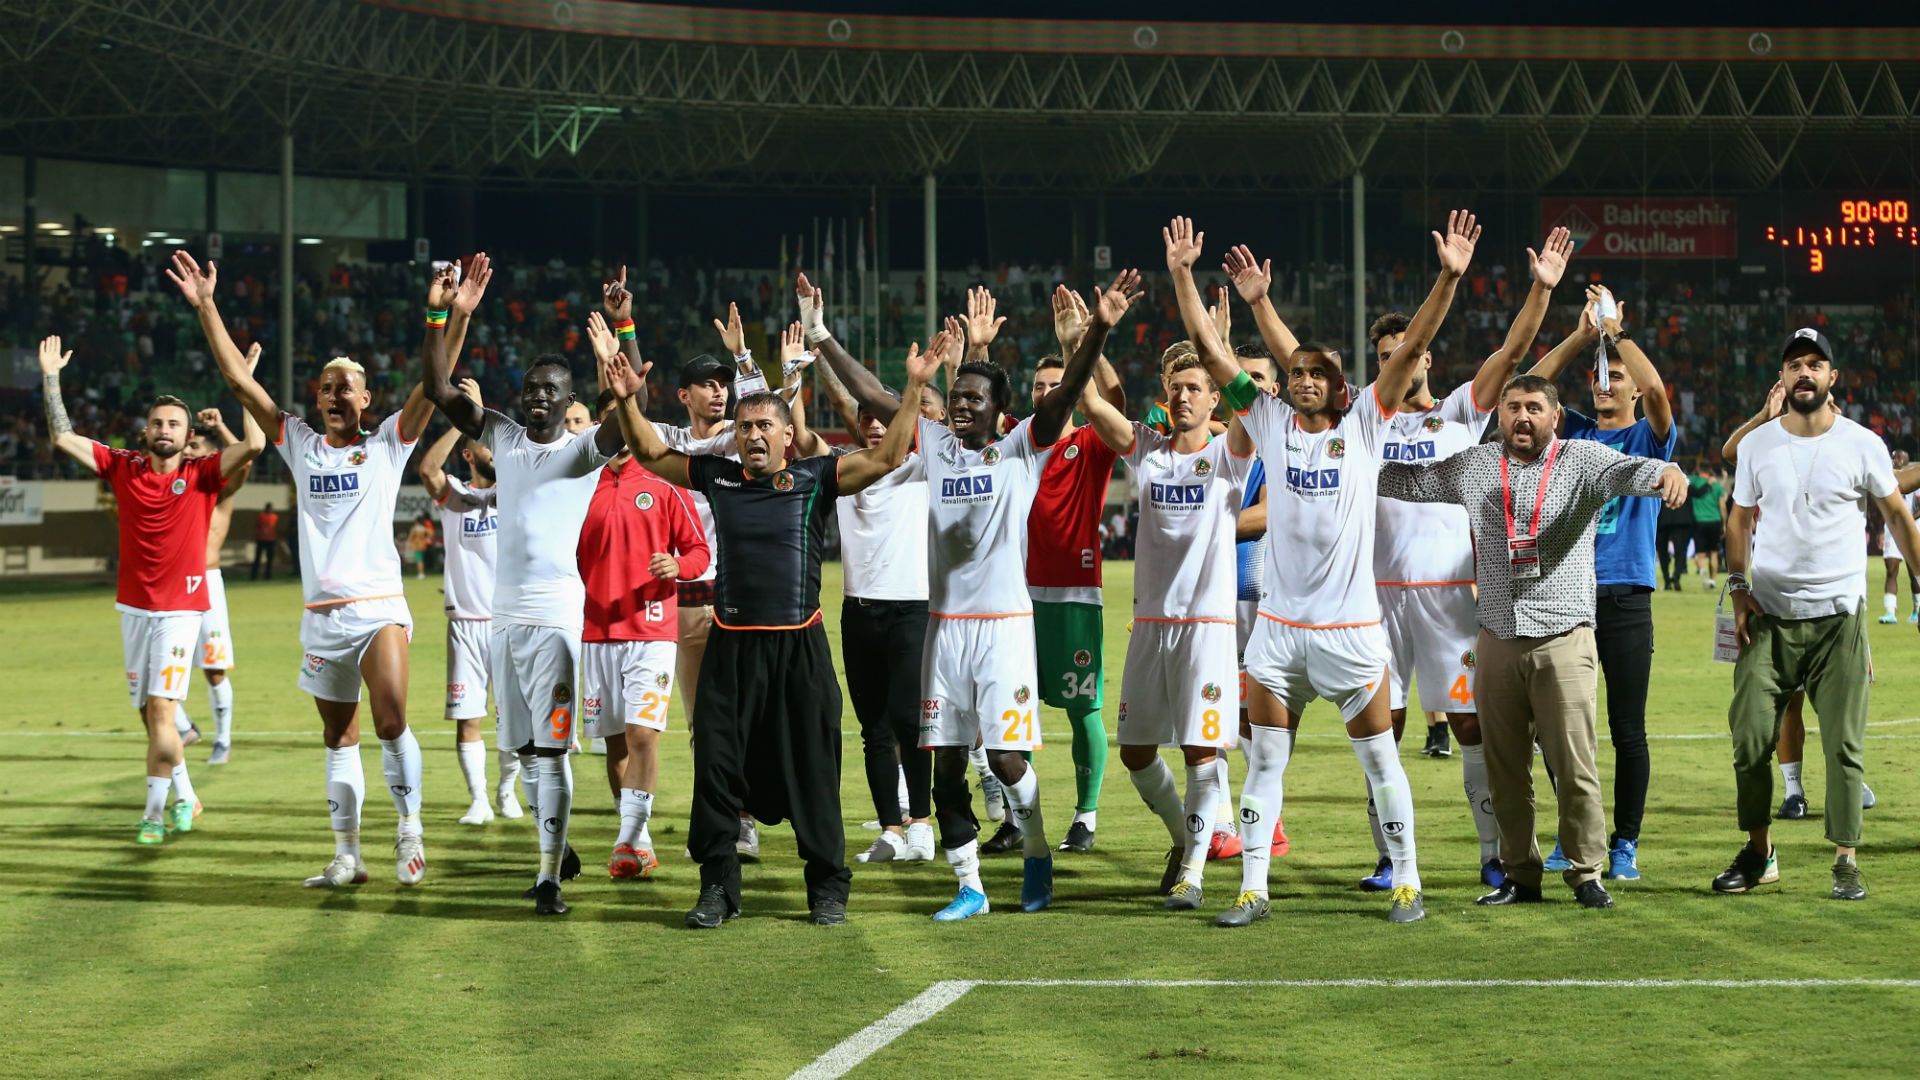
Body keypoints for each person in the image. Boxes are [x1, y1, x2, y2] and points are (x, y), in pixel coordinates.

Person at [811, 268, 1142, 921]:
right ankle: (970, 886)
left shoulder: (1024, 447)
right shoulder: (934, 445)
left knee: (1009, 758)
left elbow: (1067, 392)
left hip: (1005, 630)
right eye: (953, 395)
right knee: (946, 764)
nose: (958, 404)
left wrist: (1098, 327)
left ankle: (1037, 845)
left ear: (999, 408)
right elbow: (875, 396)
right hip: (944, 630)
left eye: (971, 397)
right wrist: (821, 334)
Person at [1179, 211, 1472, 926]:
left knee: (1380, 763)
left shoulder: (1368, 426)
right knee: (1264, 765)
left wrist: (1449, 276)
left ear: (1343, 388)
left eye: (1319, 373)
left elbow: (1415, 349)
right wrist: (1186, 275)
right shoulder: (1271, 424)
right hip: (1278, 635)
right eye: (1296, 371)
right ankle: (1253, 890)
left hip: (1350, 634)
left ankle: (1408, 881)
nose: (1304, 379)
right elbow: (1214, 356)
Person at [601, 314, 936, 928]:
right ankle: (717, 889)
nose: (753, 435)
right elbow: (649, 450)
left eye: (764, 426)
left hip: (800, 648)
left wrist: (914, 389)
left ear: (786, 435)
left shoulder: (816, 478)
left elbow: (890, 453)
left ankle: (827, 887)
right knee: (718, 770)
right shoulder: (718, 475)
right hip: (732, 649)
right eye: (745, 426)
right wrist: (626, 401)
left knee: (814, 767)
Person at [169, 250, 434, 888]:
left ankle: (410, 832)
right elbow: (241, 385)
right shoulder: (298, 443)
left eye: (346, 386)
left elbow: (436, 381)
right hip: (321, 620)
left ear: (368, 399)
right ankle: (347, 856)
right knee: (338, 736)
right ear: (316, 400)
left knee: (391, 715)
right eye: (325, 386)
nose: (334, 393)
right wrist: (207, 305)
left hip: (377, 610)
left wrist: (443, 315)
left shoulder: (389, 444)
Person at [1377, 373, 1688, 910]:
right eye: (1513, 407)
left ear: (1555, 415)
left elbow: (1629, 470)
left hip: (1563, 637)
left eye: (1534, 408)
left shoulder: (1581, 461)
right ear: (1499, 415)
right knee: (1505, 769)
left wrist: (1665, 469)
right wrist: (1348, 464)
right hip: (1496, 637)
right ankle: (1521, 875)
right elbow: (1415, 481)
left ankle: (1587, 872)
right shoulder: (1475, 466)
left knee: (1574, 765)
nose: (1523, 417)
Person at [1358, 225, 1572, 894]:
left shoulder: (1457, 413)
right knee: (1379, 732)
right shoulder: (1365, 422)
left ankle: (1491, 850)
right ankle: (1390, 857)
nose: (1398, 362)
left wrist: (1540, 289)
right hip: (1379, 599)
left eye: (1406, 352)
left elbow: (1512, 353)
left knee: (1473, 726)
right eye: (1385, 355)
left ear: (1424, 357)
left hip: (1450, 598)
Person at [423, 253, 632, 916]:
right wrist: (446, 314)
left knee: (551, 746)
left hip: (557, 622)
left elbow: (633, 416)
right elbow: (435, 388)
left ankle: (548, 877)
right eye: (532, 386)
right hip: (500, 621)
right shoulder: (503, 437)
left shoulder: (581, 451)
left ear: (570, 401)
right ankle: (558, 844)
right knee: (520, 748)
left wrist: (624, 333)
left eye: (552, 389)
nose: (540, 395)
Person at [1715, 328, 1920, 902]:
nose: (1803, 372)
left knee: (1844, 745)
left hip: (1839, 619)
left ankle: (1846, 859)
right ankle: (1760, 853)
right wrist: (1737, 586)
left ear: (1834, 378)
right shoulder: (1757, 445)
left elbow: (1899, 519)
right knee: (1749, 736)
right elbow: (1737, 519)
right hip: (1771, 618)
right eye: (1793, 365)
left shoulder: (1863, 443)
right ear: (1781, 380)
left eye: (1815, 364)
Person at [38, 334, 262, 844]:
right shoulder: (122, 467)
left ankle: (153, 813)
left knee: (162, 711)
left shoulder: (203, 475)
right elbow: (62, 438)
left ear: (188, 438)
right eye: (158, 422)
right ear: (146, 431)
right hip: (133, 609)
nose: (165, 430)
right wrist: (51, 377)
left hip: (181, 610)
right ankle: (186, 794)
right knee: (148, 712)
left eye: (175, 425)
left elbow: (253, 445)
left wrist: (245, 384)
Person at [1073, 286, 1253, 912]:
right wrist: (1083, 340)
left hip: (1205, 626)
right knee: (1136, 752)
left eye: (1195, 387)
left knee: (1203, 751)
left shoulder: (1230, 453)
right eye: (1175, 388)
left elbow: (1249, 403)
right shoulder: (1147, 452)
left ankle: (1195, 873)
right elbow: (1091, 401)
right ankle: (1185, 837)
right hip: (1150, 623)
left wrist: (1220, 347)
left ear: (1211, 399)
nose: (1183, 397)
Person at [967, 284, 1127, 856]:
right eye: (1037, 387)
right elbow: (971, 406)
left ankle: (1085, 817)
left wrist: (1085, 341)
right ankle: (1017, 817)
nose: (1045, 393)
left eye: (1056, 384)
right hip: (1014, 596)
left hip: (1075, 596)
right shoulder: (1014, 444)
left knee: (1085, 708)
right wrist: (979, 348)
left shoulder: (1093, 442)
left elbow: (1116, 399)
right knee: (1015, 712)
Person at [1527, 285, 1676, 881]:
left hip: (1626, 595)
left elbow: (1660, 393)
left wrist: (1617, 333)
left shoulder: (1646, 439)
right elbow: (1527, 391)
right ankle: (1574, 834)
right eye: (1598, 375)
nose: (1604, 382)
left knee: (1627, 729)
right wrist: (1584, 340)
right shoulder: (1571, 438)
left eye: (1615, 375)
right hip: (1566, 597)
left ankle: (1625, 843)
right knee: (1560, 731)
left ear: (1633, 384)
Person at [1720, 381, 1880, 820]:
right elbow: (1732, 452)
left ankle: (1845, 784)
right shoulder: (1769, 447)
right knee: (1783, 706)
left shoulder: (1854, 448)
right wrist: (1764, 414)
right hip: (1776, 603)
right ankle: (1793, 789)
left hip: (1839, 609)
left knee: (1838, 712)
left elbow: (1890, 485)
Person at [815, 351, 944, 865]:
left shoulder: (920, 465)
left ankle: (922, 825)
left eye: (881, 417)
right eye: (864, 419)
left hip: (913, 606)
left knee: (910, 722)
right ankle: (891, 829)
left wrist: (825, 340)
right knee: (873, 728)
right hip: (858, 609)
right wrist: (813, 357)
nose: (872, 424)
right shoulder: (845, 471)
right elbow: (837, 408)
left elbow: (872, 404)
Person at [578, 385, 709, 881]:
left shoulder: (665, 478)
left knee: (642, 736)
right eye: (611, 419)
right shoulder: (581, 482)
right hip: (596, 632)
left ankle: (628, 840)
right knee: (614, 745)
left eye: (627, 416)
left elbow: (698, 552)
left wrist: (675, 565)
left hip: (651, 630)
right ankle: (640, 839)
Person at [418, 378, 524, 826]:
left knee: (515, 718)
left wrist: (481, 414)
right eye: (483, 446)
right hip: (465, 622)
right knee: (468, 717)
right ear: (469, 454)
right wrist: (459, 422)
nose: (493, 453)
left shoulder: (515, 492)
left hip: (510, 622)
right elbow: (427, 469)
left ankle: (506, 791)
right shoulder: (456, 498)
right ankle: (478, 798)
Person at [182, 362, 265, 767]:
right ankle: (183, 728)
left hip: (207, 583)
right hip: (171, 584)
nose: (189, 451)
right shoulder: (178, 486)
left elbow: (247, 458)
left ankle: (223, 740)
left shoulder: (221, 487)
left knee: (213, 670)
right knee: (159, 667)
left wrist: (220, 430)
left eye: (196, 448)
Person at [1877, 450, 1917, 624]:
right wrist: (1880, 529)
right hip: (1891, 528)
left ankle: (1917, 610)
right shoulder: (1885, 478)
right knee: (1891, 569)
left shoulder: (1914, 478)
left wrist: (1907, 519)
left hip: (1912, 528)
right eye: (1894, 457)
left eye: (1899, 457)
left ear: (1907, 460)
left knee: (1913, 571)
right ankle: (1890, 612)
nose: (1896, 460)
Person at [1690, 462, 1727, 590]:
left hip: (1699, 521)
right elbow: (1722, 506)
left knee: (1700, 554)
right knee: (1714, 553)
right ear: (1710, 470)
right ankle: (1712, 580)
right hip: (1715, 521)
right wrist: (1724, 524)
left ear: (1699, 468)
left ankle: (1703, 570)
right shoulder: (1716, 485)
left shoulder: (1693, 481)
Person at [1656, 495, 1695, 592]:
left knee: (1662, 551)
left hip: (1662, 517)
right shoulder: (1685, 480)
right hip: (1681, 517)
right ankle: (1676, 576)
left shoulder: (1658, 480)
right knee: (1681, 550)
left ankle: (1667, 581)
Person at [252, 501, 280, 580]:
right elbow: (257, 526)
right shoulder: (261, 516)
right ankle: (254, 576)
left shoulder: (275, 517)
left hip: (271, 540)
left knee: (270, 559)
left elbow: (276, 528)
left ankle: (268, 576)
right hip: (261, 539)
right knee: (257, 559)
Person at [406, 515, 433, 579]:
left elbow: (410, 537)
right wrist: (427, 539)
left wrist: (408, 544)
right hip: (423, 545)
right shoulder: (423, 528)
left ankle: (421, 573)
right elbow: (431, 534)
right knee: (421, 560)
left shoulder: (415, 528)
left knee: (419, 560)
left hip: (417, 545)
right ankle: (421, 573)